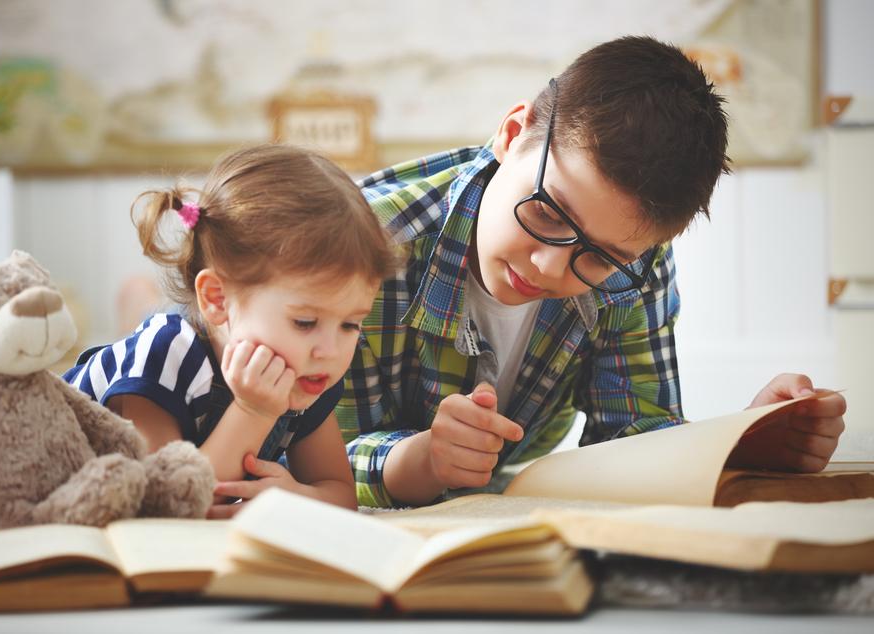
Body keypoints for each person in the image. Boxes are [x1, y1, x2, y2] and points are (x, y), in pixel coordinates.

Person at [335, 36, 847, 508]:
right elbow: (300, 456)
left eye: (599, 257)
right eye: (546, 212)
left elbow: (633, 434)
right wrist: (422, 459)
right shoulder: (357, 246)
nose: (549, 266)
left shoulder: (633, 268)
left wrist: (740, 443)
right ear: (512, 134)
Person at [0, 144, 396, 521]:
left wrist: (297, 499)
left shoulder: (309, 370)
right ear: (216, 299)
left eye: (351, 323)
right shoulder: (168, 354)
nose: (330, 349)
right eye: (305, 321)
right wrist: (254, 411)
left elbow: (339, 493)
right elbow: (162, 499)